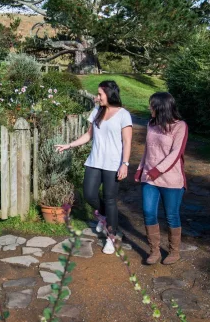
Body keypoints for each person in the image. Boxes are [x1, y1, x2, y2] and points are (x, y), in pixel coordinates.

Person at [56, 81, 133, 255]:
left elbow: (127, 141)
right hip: (95, 161)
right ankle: (104, 217)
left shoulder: (123, 115)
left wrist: (125, 164)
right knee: (90, 194)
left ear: (109, 94)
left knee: (110, 199)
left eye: (100, 94)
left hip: (113, 164)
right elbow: (89, 135)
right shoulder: (96, 111)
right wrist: (69, 145)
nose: (97, 97)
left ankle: (111, 238)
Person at [134, 92, 188, 265]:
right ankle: (154, 251)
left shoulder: (180, 126)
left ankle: (174, 251)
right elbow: (148, 150)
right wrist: (141, 168)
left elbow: (176, 153)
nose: (149, 108)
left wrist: (157, 170)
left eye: (152, 105)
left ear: (161, 107)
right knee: (148, 212)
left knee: (171, 215)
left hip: (171, 180)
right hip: (149, 178)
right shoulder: (151, 124)